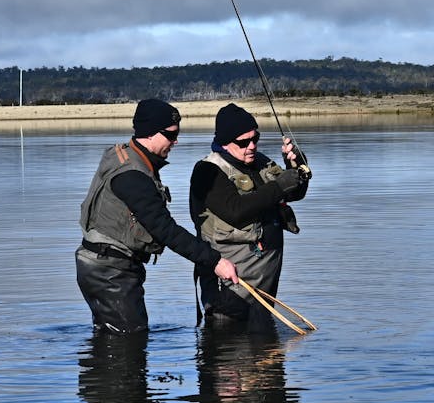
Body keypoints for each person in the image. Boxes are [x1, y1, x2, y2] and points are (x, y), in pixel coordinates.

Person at [77, 98, 239, 333]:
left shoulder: (125, 155)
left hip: (101, 265)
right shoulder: (133, 176)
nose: (176, 141)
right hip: (109, 271)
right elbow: (165, 230)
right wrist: (214, 261)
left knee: (114, 336)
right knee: (129, 341)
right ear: (150, 133)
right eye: (171, 135)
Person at [189, 103, 310, 327]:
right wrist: (279, 186)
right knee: (229, 335)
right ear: (225, 142)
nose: (251, 146)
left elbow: (294, 193)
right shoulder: (207, 171)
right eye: (243, 142)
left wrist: (298, 168)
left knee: (263, 340)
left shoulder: (260, 162)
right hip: (231, 278)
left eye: (255, 138)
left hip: (266, 274)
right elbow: (236, 211)